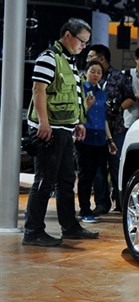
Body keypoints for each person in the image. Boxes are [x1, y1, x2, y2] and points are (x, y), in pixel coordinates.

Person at [22, 18, 99, 246]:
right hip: (50, 129)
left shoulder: (69, 61)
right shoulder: (48, 58)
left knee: (66, 180)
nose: (84, 46)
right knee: (44, 180)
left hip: (64, 129)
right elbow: (38, 90)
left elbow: (71, 96)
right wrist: (43, 123)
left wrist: (78, 122)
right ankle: (33, 231)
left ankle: (70, 226)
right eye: (82, 41)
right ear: (68, 36)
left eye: (86, 43)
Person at [85, 44, 134, 214]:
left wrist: (119, 108)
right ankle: (101, 204)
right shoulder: (87, 77)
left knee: (116, 166)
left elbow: (130, 98)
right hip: (95, 129)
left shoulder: (119, 77)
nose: (87, 59)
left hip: (116, 128)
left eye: (90, 56)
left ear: (101, 58)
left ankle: (121, 202)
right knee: (98, 168)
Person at [75, 59, 117, 223]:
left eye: (99, 72)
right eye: (92, 71)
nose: (95, 75)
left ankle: (94, 207)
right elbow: (77, 113)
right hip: (85, 137)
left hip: (100, 139)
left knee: (98, 175)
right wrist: (86, 105)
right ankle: (84, 209)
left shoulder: (102, 93)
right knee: (85, 175)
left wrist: (110, 140)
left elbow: (104, 119)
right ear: (86, 72)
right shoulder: (80, 90)